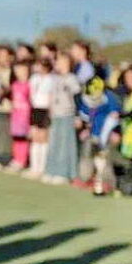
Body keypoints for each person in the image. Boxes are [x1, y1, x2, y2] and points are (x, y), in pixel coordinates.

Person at [44, 52, 81, 185]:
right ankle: (51, 170)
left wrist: (77, 116)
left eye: (60, 61)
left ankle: (64, 172)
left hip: (67, 115)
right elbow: (51, 96)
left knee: (65, 144)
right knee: (54, 142)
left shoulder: (72, 79)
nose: (57, 64)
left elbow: (77, 98)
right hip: (56, 115)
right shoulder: (55, 78)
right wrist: (50, 109)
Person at [26, 59, 55, 178]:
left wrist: (51, 110)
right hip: (35, 108)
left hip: (45, 109)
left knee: (43, 138)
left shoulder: (51, 79)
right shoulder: (34, 79)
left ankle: (42, 168)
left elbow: (51, 95)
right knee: (34, 137)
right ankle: (34, 167)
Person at [9, 60, 32, 171]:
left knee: (24, 138)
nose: (20, 73)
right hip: (16, 115)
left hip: (25, 115)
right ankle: (16, 158)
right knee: (16, 137)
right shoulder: (14, 85)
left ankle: (22, 160)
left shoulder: (29, 84)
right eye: (17, 70)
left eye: (22, 70)